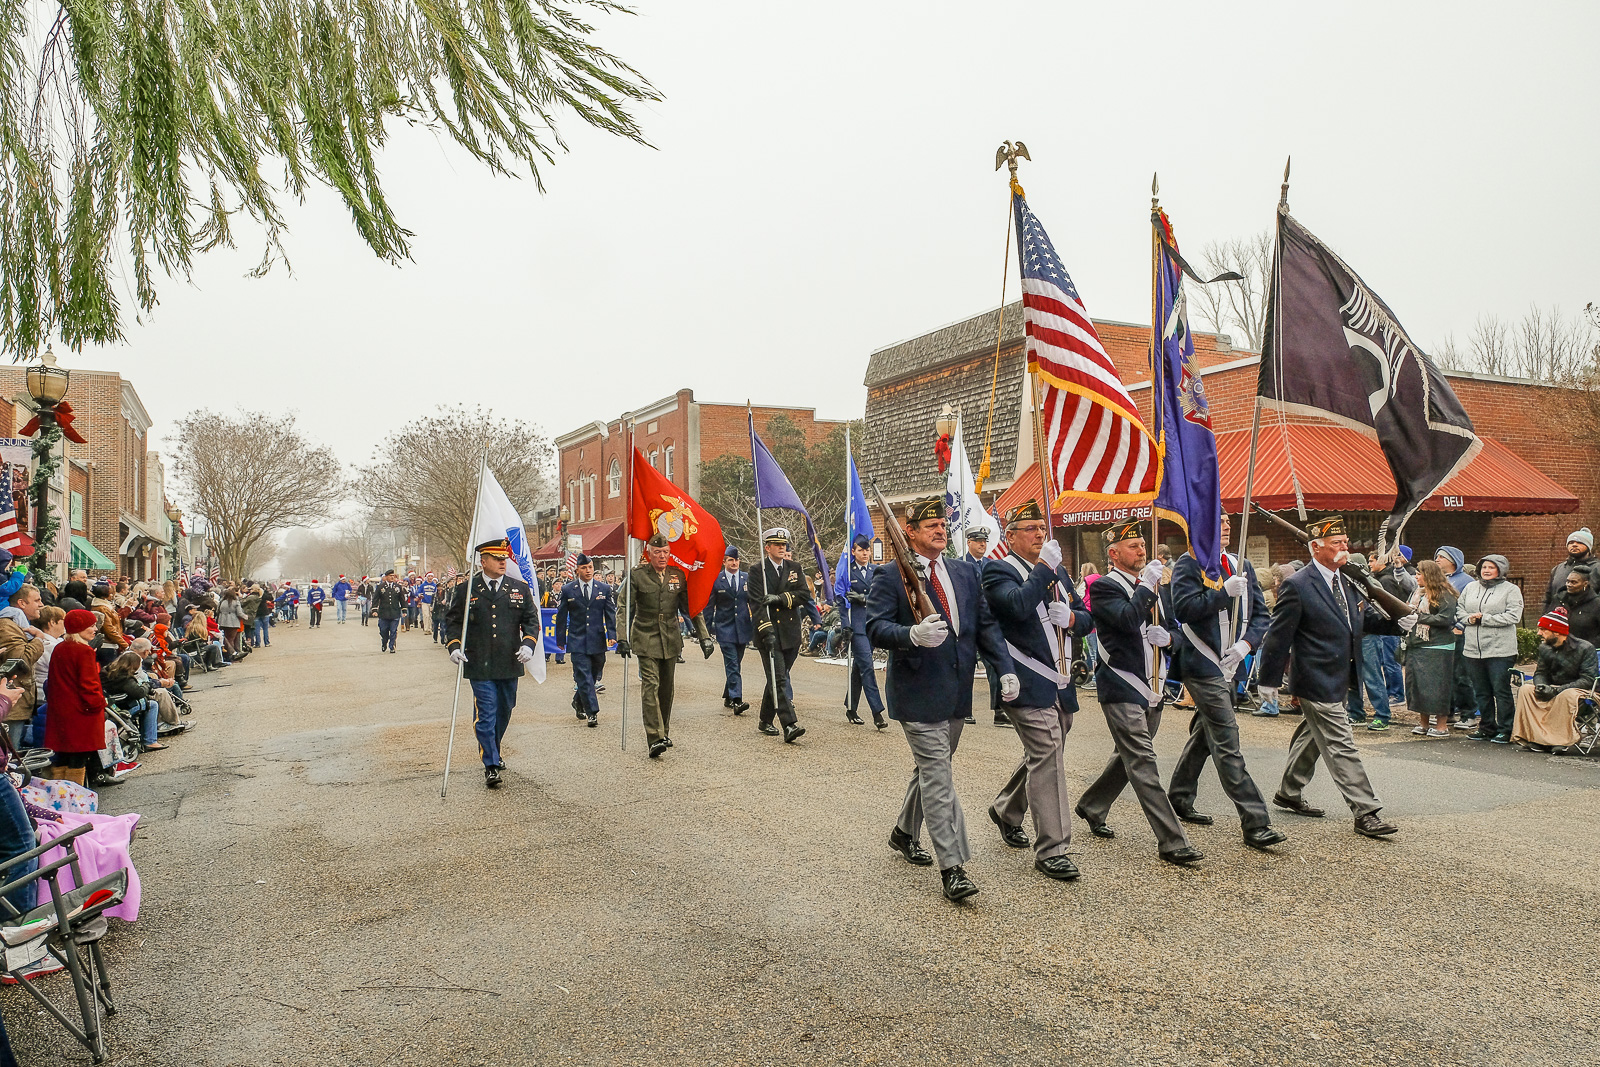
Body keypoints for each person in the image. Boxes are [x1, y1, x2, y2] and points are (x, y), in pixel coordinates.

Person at [867, 497, 1016, 902]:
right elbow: (876, 627)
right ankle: (953, 867)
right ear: (909, 532)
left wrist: (1004, 667)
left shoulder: (964, 571)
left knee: (931, 769)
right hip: (916, 691)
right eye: (929, 524)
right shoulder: (890, 575)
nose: (938, 529)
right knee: (939, 776)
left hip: (956, 692)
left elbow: (985, 626)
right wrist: (910, 635)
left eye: (942, 524)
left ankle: (903, 832)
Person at [1256, 516, 1415, 838]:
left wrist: (1398, 624)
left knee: (1312, 736)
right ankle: (1365, 811)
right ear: (1316, 548)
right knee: (1341, 743)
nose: (1344, 548)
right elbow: (1278, 635)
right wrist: (1268, 680)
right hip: (1315, 677)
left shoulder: (1347, 580)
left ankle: (1289, 791)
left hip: (1341, 674)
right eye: (1337, 544)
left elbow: (1362, 619)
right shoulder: (1297, 585)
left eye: (1345, 543)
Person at [1074, 521, 1200, 865]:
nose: (1141, 551)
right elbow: (1128, 620)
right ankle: (1172, 841)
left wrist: (1171, 639)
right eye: (1133, 546)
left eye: (1143, 545)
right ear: (1113, 553)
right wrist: (1146, 587)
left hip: (1154, 685)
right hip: (1123, 684)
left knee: (1126, 757)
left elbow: (1178, 629)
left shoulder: (1157, 586)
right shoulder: (1105, 587)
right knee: (1143, 760)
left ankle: (1092, 805)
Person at [981, 500, 1092, 882]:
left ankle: (1007, 809)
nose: (1039, 535)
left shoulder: (1056, 571)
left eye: (1042, 529)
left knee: (1045, 753)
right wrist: (1043, 568)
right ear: (1010, 536)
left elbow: (1086, 616)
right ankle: (1053, 849)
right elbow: (1016, 606)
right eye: (1030, 529)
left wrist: (1074, 617)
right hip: (1025, 680)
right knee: (1048, 752)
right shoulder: (998, 570)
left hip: (1060, 682)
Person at [1164, 513, 1285, 850]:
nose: (1228, 526)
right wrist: (1222, 593)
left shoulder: (1240, 563)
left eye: (1229, 521)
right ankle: (1256, 822)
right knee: (1228, 741)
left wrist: (1247, 645)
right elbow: (1185, 610)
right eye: (1219, 522)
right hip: (1202, 665)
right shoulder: (1190, 565)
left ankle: (1179, 796)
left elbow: (1261, 615)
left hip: (1232, 663)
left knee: (1206, 735)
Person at [444, 538, 542, 789]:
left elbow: (531, 620)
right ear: (483, 561)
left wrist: (528, 644)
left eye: (504, 559)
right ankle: (490, 764)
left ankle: (493, 748)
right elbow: (453, 621)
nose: (502, 562)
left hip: (509, 660)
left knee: (505, 709)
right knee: (486, 713)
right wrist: (454, 646)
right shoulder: (466, 589)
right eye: (497, 558)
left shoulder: (518, 587)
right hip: (479, 661)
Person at [618, 534, 714, 758]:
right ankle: (654, 737)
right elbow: (624, 607)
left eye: (665, 552)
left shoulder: (677, 576)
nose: (662, 556)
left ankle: (664, 731)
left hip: (670, 638)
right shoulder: (637, 576)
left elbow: (691, 608)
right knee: (650, 685)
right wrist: (622, 638)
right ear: (649, 553)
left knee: (666, 689)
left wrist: (704, 637)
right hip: (645, 635)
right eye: (657, 552)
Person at [747, 528, 810, 742]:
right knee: (780, 678)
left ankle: (765, 719)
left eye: (784, 544)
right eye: (777, 544)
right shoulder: (758, 571)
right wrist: (767, 631)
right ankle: (790, 724)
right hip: (769, 632)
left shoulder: (794, 568)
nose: (782, 548)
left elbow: (804, 594)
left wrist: (780, 598)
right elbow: (756, 604)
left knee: (776, 678)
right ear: (767, 547)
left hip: (790, 632)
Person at [1457, 553, 1523, 744]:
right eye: (1484, 567)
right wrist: (1468, 619)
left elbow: (1513, 616)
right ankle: (1486, 726)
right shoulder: (1470, 587)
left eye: (1491, 567)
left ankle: (1505, 728)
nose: (1486, 571)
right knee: (1481, 691)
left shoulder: (1511, 590)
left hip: (1500, 651)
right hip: (1472, 649)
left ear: (1500, 570)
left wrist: (1484, 619)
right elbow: (1459, 609)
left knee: (1500, 690)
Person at [1511, 606, 1596, 753]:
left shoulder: (1585, 648)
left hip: (1581, 692)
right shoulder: (1545, 648)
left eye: (1543, 630)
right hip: (1553, 687)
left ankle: (1559, 741)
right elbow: (1540, 672)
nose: (1539, 634)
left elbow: (1588, 679)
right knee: (1526, 690)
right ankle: (1535, 738)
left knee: (1567, 695)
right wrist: (1541, 685)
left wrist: (1557, 690)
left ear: (1557, 631)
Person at [44, 609, 107, 786]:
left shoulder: (59, 648)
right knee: (78, 758)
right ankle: (74, 796)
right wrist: (99, 704)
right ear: (80, 627)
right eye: (91, 625)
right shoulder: (84, 651)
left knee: (63, 756)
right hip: (81, 712)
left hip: (61, 710)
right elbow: (89, 685)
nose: (95, 629)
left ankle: (59, 795)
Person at [553, 554, 615, 728]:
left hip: (597, 639)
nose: (588, 571)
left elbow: (610, 613)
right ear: (577, 570)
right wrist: (560, 639)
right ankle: (592, 712)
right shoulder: (568, 590)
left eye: (590, 567)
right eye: (584, 568)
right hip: (577, 639)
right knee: (584, 675)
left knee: (594, 674)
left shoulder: (603, 588)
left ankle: (577, 701)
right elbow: (561, 616)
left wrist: (612, 635)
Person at [1405, 559, 1459, 738]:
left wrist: (1419, 617)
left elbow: (1445, 619)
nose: (1416, 576)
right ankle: (1424, 723)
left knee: (1437, 686)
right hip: (1418, 645)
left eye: (1419, 573)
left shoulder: (1445, 594)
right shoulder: (1417, 593)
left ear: (1429, 575)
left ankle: (1442, 725)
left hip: (1439, 646)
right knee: (1419, 685)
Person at [841, 536, 886, 729]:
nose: (865, 553)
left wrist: (864, 598)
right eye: (861, 550)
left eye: (867, 550)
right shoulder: (846, 571)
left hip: (871, 624)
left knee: (859, 669)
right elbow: (841, 602)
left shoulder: (876, 571)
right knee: (867, 666)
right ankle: (877, 713)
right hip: (856, 626)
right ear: (853, 552)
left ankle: (850, 707)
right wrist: (845, 626)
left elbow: (881, 596)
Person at [710, 546, 753, 715]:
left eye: (736, 560)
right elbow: (709, 606)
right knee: (733, 663)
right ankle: (737, 700)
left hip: (742, 628)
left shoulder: (746, 578)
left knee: (736, 663)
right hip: (724, 629)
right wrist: (705, 631)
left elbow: (753, 603)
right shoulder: (717, 580)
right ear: (724, 562)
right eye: (730, 560)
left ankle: (728, 694)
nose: (734, 563)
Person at [0, 585, 44, 749]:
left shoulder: (17, 625)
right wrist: (39, 640)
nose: (41, 604)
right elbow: (21, 661)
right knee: (10, 757)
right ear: (21, 603)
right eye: (37, 600)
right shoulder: (7, 626)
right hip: (10, 706)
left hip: (14, 704)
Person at [1543, 527, 1595, 613]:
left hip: (1587, 622)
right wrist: (1545, 616)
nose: (1574, 545)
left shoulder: (1596, 568)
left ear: (1588, 547)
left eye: (1579, 542)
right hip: (1558, 620)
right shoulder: (1558, 569)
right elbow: (1548, 598)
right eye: (1571, 542)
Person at [1557, 564, 1600, 647]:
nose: (1569, 585)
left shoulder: (1596, 604)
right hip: (1561, 650)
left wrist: (1586, 647)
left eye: (1574, 582)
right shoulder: (1559, 599)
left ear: (1585, 584)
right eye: (1568, 581)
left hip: (1587, 652)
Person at [370, 570, 407, 653]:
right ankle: (384, 641)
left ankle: (392, 646)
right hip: (384, 613)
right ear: (386, 577)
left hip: (395, 612)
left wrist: (404, 610)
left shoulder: (397, 587)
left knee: (393, 631)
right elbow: (375, 599)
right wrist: (374, 610)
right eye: (390, 575)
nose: (392, 577)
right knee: (383, 630)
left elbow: (402, 599)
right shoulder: (380, 587)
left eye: (393, 575)